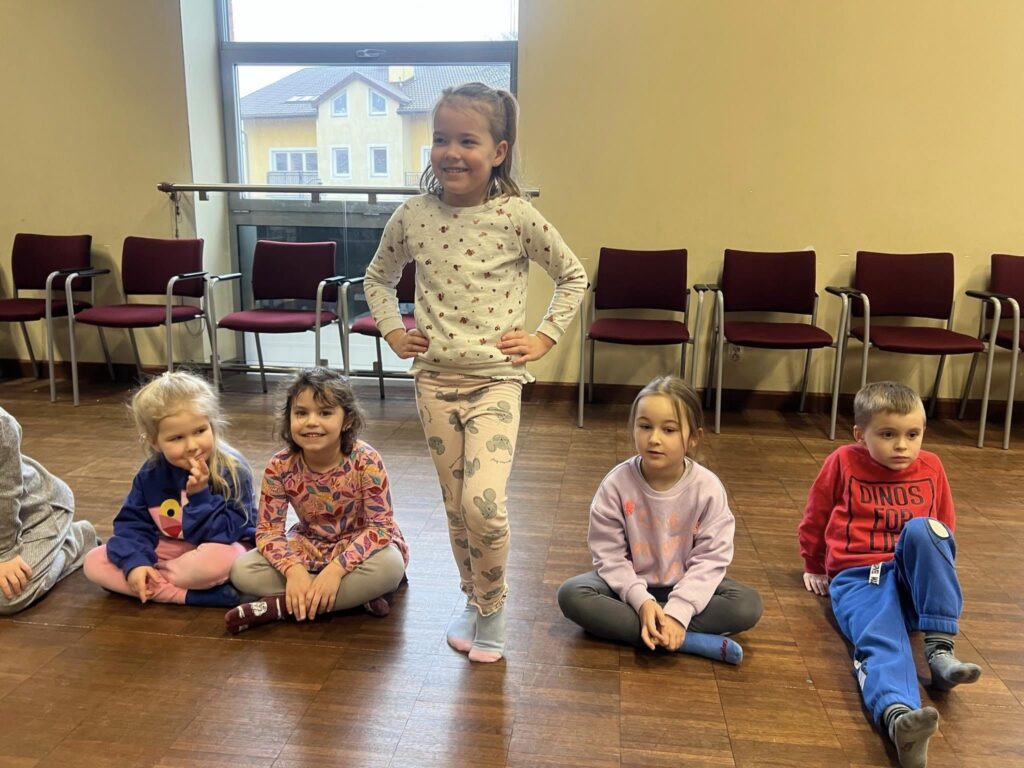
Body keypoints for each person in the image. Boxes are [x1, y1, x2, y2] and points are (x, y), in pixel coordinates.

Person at [362, 82, 587, 662]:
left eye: (468, 140)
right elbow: (377, 277)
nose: (451, 152)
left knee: (483, 504)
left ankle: (494, 606)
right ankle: (474, 598)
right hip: (434, 382)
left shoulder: (516, 216)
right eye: (441, 139)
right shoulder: (413, 215)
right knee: (456, 505)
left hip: (496, 381)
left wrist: (543, 336)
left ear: (498, 151)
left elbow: (572, 276)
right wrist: (393, 330)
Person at [799, 381, 982, 768]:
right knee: (880, 640)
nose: (902, 446)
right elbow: (816, 514)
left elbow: (944, 528)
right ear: (860, 434)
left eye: (912, 435)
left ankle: (940, 652)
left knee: (926, 529)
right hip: (859, 576)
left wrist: (934, 582)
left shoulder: (932, 466)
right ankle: (900, 720)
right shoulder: (843, 462)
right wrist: (813, 563)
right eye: (888, 435)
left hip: (910, 582)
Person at [556, 376, 762, 664]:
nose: (654, 438)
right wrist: (642, 601)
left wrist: (680, 611)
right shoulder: (616, 484)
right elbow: (609, 556)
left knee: (747, 605)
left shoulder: (707, 488)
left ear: (693, 437)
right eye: (645, 426)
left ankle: (660, 629)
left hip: (685, 583)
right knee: (572, 595)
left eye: (669, 430)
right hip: (629, 587)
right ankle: (685, 640)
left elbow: (711, 558)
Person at [226, 368, 408, 633]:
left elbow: (380, 529)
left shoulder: (366, 460)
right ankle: (353, 598)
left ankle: (281, 607)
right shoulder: (279, 465)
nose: (311, 422)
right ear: (289, 418)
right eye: (301, 413)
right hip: (309, 545)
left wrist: (335, 571)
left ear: (347, 420)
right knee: (242, 570)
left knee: (391, 567)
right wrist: (293, 571)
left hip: (360, 545)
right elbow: (267, 532)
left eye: (325, 413)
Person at [83, 371, 256, 606]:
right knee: (94, 562)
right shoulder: (150, 474)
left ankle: (150, 583)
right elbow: (132, 524)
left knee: (219, 562)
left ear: (213, 425)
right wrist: (136, 563)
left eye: (200, 431)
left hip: (220, 548)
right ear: (155, 442)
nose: (192, 446)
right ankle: (189, 594)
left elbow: (227, 533)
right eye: (177, 438)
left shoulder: (232, 469)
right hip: (172, 551)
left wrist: (199, 496)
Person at [0, 407, 97, 613]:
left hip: (36, 513)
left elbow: (5, 495)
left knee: (5, 597)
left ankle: (76, 540)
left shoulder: (2, 424)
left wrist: (5, 553)